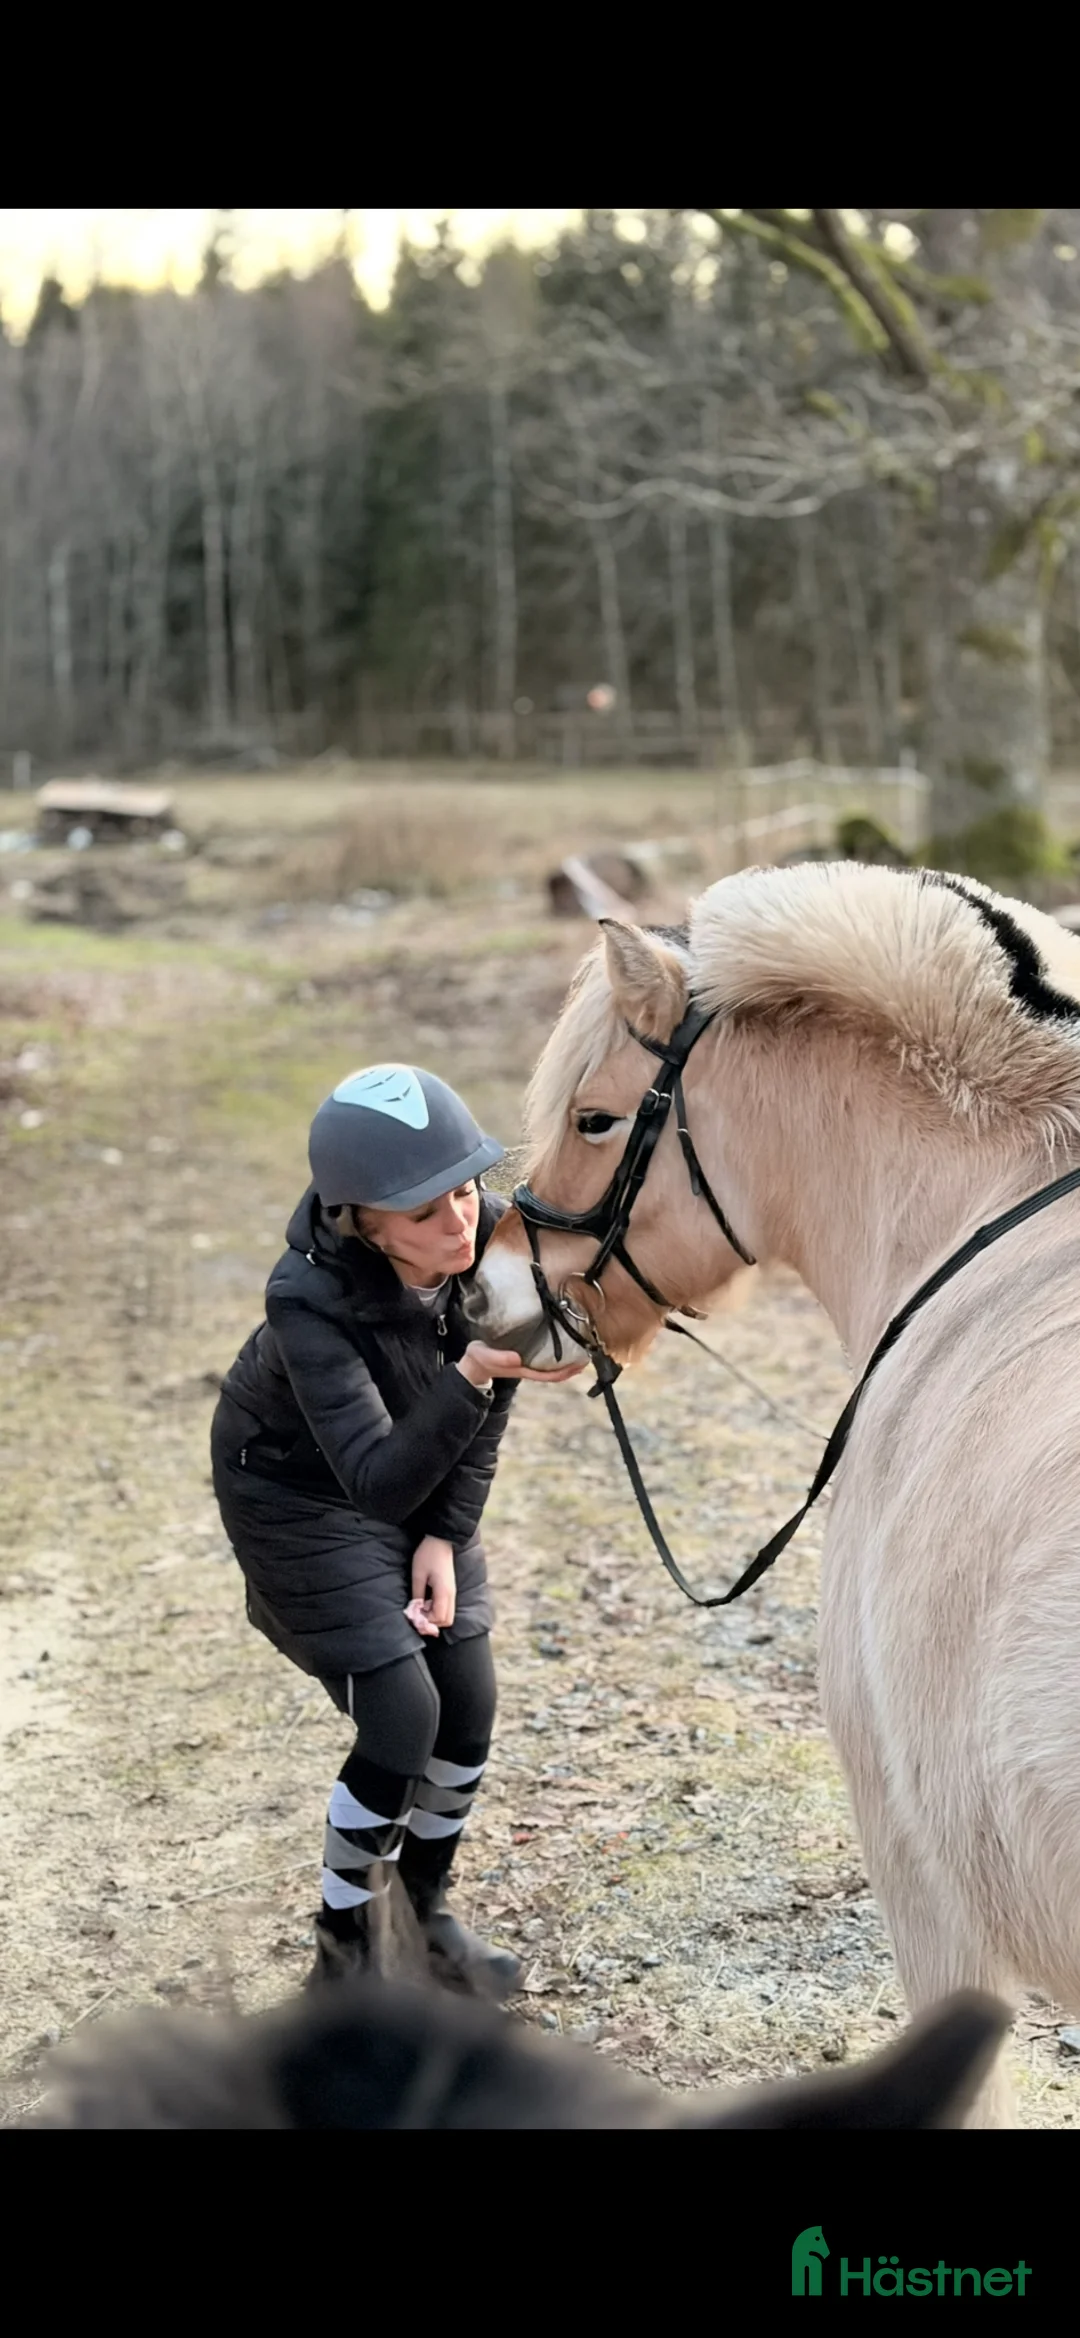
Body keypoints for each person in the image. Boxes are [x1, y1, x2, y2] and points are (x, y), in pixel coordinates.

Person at [210, 1063, 582, 1997]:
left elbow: (489, 1404)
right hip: (295, 1493)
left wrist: (444, 1537)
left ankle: (421, 1919)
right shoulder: (307, 1301)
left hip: (416, 1466)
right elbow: (376, 1480)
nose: (459, 1222)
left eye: (464, 1190)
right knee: (401, 1716)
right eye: (424, 1213)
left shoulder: (491, 1239)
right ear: (359, 1221)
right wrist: (474, 1375)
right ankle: (343, 1960)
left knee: (468, 1700)